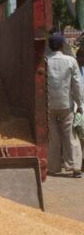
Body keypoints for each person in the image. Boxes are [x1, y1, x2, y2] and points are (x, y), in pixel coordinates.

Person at [47, 33, 84, 177]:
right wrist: (79, 104)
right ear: (62, 45)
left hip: (49, 106)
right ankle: (75, 167)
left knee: (53, 137)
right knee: (71, 136)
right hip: (66, 105)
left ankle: (53, 168)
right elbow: (76, 85)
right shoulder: (71, 61)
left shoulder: (45, 61)